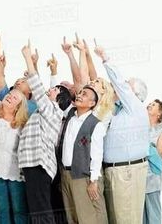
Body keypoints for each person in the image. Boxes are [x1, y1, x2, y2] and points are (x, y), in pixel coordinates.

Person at [18, 41, 72, 224]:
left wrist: (27, 58)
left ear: (59, 99)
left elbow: (39, 91)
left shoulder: (53, 111)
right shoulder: (46, 111)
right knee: (38, 210)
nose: (51, 89)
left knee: (41, 211)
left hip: (38, 165)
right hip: (33, 165)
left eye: (55, 89)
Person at [94, 46, 150, 224]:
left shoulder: (135, 107)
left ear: (134, 94)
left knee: (126, 220)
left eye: (127, 85)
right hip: (114, 171)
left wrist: (105, 58)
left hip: (126, 172)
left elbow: (119, 84)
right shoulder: (117, 111)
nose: (122, 86)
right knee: (115, 219)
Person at [0, 48, 29, 224]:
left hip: (16, 173)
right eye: (10, 94)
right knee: (2, 212)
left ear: (18, 106)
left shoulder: (22, 125)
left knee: (19, 211)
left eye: (15, 98)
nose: (10, 96)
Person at [58, 85, 108, 224]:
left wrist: (93, 181)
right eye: (80, 93)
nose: (79, 95)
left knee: (87, 216)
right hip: (66, 174)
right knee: (71, 216)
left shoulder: (95, 124)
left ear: (92, 103)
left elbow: (97, 155)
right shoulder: (71, 117)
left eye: (84, 94)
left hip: (82, 176)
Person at [143, 99, 162, 224]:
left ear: (159, 113)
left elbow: (159, 155)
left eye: (153, 105)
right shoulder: (139, 125)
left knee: (153, 216)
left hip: (152, 178)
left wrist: (145, 146)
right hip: (137, 176)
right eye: (150, 104)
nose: (149, 105)